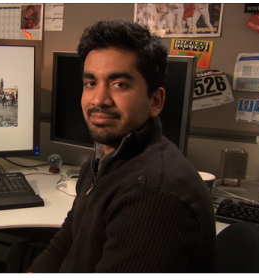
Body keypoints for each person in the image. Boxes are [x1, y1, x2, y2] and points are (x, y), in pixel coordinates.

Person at [27, 19, 216, 273]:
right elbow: (65, 243)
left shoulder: (153, 195)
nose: (99, 99)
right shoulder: (103, 161)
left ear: (155, 101)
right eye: (91, 82)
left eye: (120, 84)